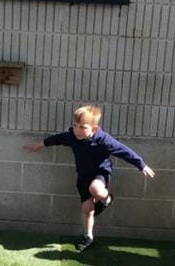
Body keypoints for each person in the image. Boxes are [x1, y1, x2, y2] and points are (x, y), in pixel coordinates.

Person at [24, 105, 155, 251]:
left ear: (93, 128)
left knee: (96, 189)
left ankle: (107, 198)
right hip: (83, 175)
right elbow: (57, 139)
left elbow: (123, 151)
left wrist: (141, 165)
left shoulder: (103, 139)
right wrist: (39, 145)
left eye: (82, 127)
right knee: (87, 208)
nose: (77, 130)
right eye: (75, 125)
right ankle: (88, 236)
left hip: (100, 172)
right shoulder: (72, 136)